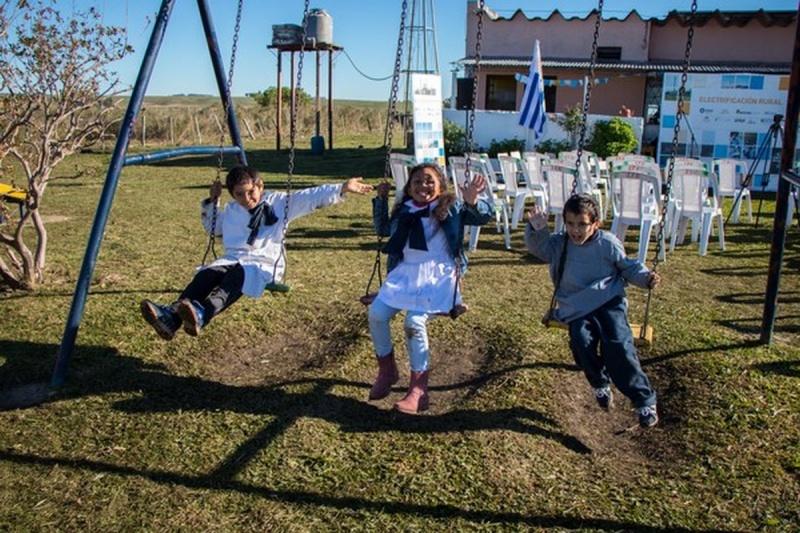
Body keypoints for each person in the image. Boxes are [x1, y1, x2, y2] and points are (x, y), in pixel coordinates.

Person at [140, 165, 373, 340]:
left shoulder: (278, 203)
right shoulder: (232, 209)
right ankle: (171, 317)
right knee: (207, 274)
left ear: (260, 186)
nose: (246, 199)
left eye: (250, 192)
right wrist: (213, 201)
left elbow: (309, 197)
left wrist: (342, 187)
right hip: (233, 259)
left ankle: (202, 314)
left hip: (264, 264)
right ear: (232, 194)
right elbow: (214, 227)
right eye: (239, 194)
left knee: (236, 277)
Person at [525, 194, 661, 428]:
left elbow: (627, 267)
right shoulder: (561, 243)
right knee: (580, 341)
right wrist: (537, 228)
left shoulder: (607, 243)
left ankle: (644, 401)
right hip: (576, 306)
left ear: (595, 223)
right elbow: (541, 249)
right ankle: (600, 383)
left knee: (618, 343)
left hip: (608, 301)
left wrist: (646, 278)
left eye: (582, 224)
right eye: (570, 224)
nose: (576, 230)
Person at [367, 163, 493, 414]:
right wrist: (381, 199)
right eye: (417, 182)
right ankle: (387, 370)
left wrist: (473, 201)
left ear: (441, 186)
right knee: (376, 314)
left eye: (429, 181)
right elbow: (383, 230)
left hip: (439, 275)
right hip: (405, 273)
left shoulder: (451, 207)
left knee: (414, 322)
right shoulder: (404, 209)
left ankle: (418, 390)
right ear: (409, 187)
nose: (423, 186)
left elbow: (481, 217)